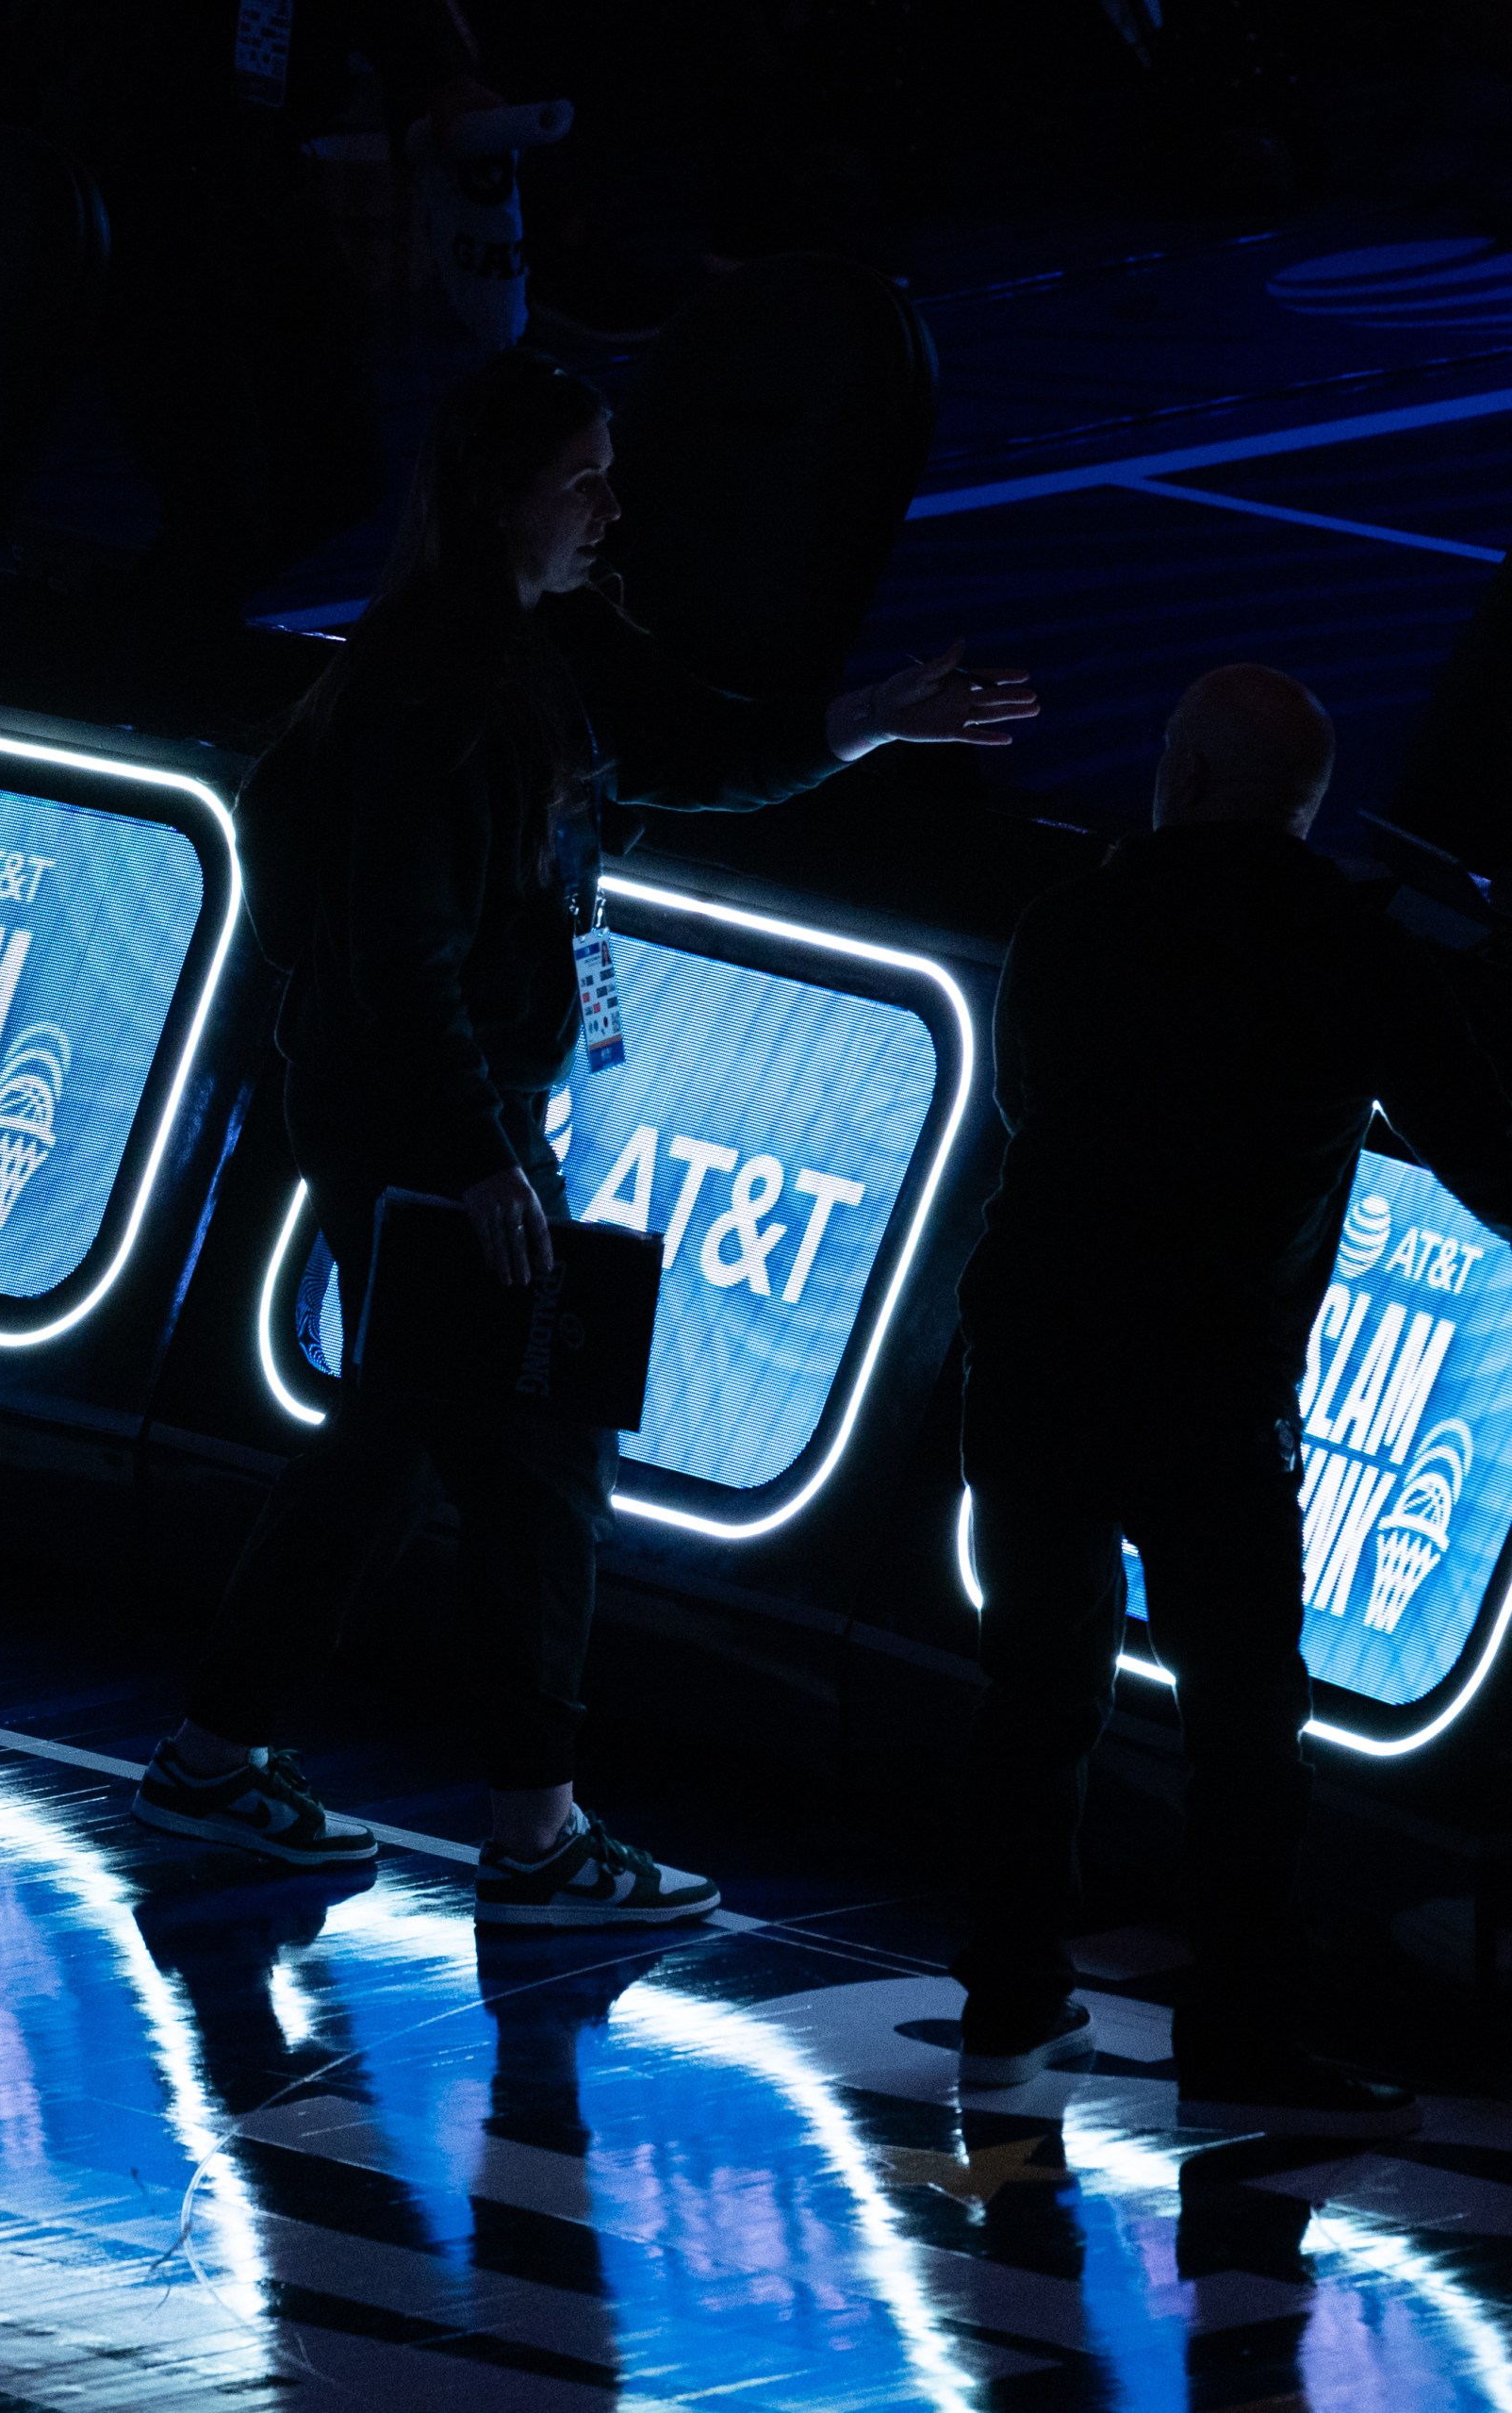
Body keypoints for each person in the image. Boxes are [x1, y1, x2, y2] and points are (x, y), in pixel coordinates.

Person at [134, 347, 1036, 1920]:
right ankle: (523, 1827)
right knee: (529, 1454)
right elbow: (400, 952)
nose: (617, 508)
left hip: (441, 1121)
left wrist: (870, 718)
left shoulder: (540, 652)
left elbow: (694, 750)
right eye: (587, 480)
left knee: (410, 1442)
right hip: (434, 1131)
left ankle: (239, 1752)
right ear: (504, 500)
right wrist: (480, 1151)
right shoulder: (441, 692)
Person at [951, 666, 1512, 2139]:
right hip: (1213, 1380)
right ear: (1304, 802)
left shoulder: (1077, 913)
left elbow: (1020, 1098)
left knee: (1035, 1691)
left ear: (1186, 772)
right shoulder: (1352, 948)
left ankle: (1008, 1994)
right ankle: (1241, 2033)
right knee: (1248, 1727)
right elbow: (1487, 1151)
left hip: (1038, 1348)